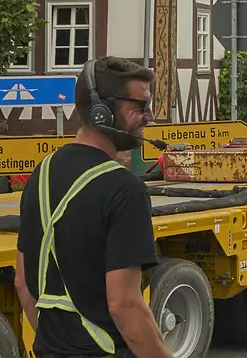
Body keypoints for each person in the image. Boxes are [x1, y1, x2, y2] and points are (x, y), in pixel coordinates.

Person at [14, 56, 170, 358]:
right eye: (139, 107)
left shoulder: (41, 174)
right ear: (102, 112)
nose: (149, 117)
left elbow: (22, 282)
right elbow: (124, 305)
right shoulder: (125, 190)